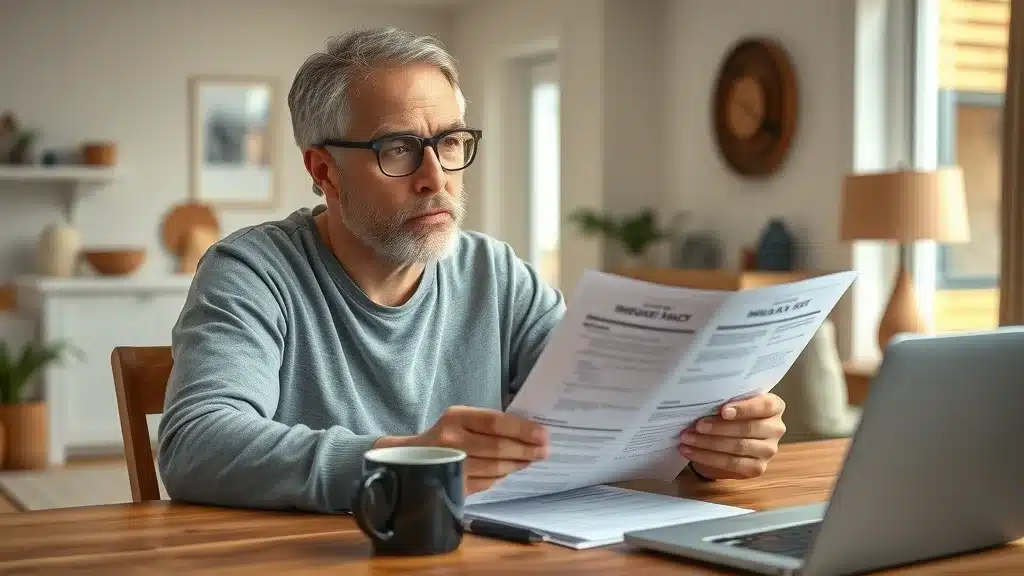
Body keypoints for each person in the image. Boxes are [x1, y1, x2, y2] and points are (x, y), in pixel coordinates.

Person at [157, 26, 787, 514]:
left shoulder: (497, 274)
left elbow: (600, 417)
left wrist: (703, 447)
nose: (436, 178)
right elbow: (195, 445)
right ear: (325, 171)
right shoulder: (251, 271)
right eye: (398, 148)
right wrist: (409, 460)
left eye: (450, 142)